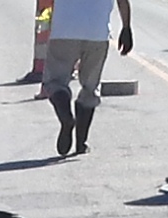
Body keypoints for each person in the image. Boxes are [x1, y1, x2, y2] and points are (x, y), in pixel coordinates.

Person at [43, 0, 133, 156]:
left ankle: (66, 118)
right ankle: (81, 143)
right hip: (97, 33)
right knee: (90, 87)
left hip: (64, 29)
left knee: (55, 81)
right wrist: (126, 28)